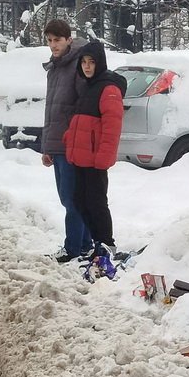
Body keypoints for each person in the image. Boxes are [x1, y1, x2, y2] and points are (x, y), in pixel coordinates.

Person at [63, 41, 127, 278]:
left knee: (97, 203)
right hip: (80, 157)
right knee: (80, 201)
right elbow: (81, 120)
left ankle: (106, 244)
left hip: (95, 159)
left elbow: (112, 127)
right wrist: (69, 138)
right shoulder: (89, 86)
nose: (87, 67)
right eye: (84, 62)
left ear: (100, 63)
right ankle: (97, 244)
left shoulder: (108, 88)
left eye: (92, 62)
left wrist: (104, 157)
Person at [41, 19, 92, 263]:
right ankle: (84, 245)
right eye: (49, 40)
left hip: (73, 143)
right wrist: (47, 148)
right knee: (67, 198)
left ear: (68, 39)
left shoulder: (79, 65)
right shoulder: (55, 67)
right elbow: (52, 110)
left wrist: (77, 137)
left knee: (73, 198)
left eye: (57, 40)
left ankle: (73, 248)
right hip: (58, 145)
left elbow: (84, 104)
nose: (53, 45)